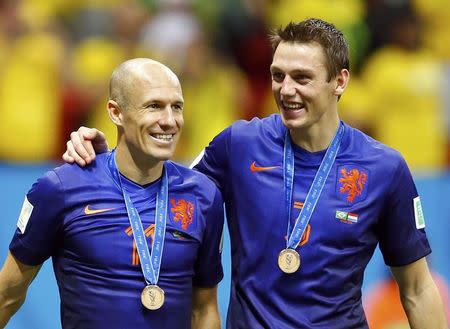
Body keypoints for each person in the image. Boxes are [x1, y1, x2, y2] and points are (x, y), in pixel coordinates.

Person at [62, 19, 448, 328]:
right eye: (278, 76)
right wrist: (105, 155)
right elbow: (163, 186)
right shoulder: (240, 144)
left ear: (340, 82)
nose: (286, 90)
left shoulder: (384, 168)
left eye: (302, 78)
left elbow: (415, 289)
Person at [0, 58, 225, 329]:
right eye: (154, 106)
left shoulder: (203, 196)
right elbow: (7, 296)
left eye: (176, 107)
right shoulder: (61, 189)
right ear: (116, 113)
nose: (169, 121)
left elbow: (204, 310)